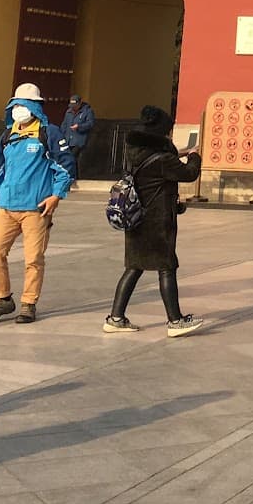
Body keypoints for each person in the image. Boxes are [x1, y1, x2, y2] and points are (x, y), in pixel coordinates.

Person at [103, 106, 205, 338]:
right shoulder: (164, 160)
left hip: (135, 217)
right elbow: (189, 173)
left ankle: (116, 318)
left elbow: (158, 166)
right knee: (166, 268)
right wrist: (194, 156)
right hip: (157, 222)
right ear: (163, 132)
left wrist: (179, 153)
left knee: (134, 267)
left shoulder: (134, 152)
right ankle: (175, 321)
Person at [0, 84, 73, 324]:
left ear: (35, 107)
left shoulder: (48, 133)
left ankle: (28, 303)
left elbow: (65, 166)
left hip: (36, 209)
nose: (18, 110)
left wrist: (56, 195)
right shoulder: (7, 136)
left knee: (33, 259)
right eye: (15, 105)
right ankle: (2, 298)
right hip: (6, 207)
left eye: (23, 105)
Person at [56, 94, 96, 181]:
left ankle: (73, 177)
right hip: (68, 140)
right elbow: (64, 125)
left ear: (80, 103)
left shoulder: (87, 111)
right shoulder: (68, 112)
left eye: (75, 105)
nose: (73, 108)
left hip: (79, 140)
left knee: (72, 157)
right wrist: (61, 136)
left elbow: (90, 124)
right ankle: (72, 176)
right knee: (69, 158)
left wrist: (79, 126)